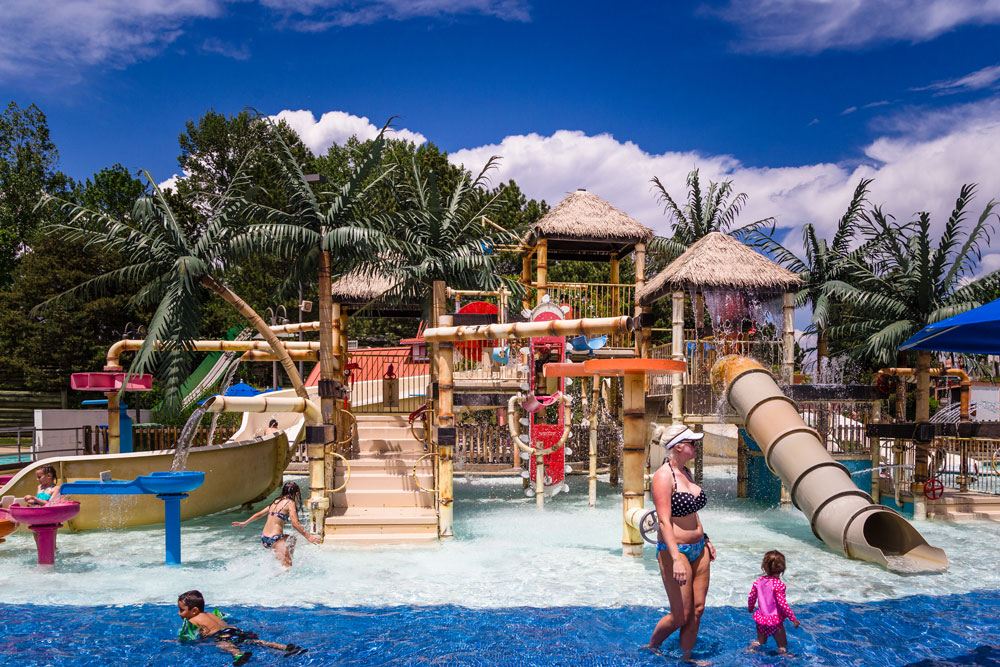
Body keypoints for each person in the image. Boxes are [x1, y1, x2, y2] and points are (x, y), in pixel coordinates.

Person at [645, 424, 716, 662]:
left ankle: (686, 659)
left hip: (699, 548)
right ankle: (652, 646)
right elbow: (664, 521)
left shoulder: (686, 472)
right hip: (675, 550)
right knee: (681, 615)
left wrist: (705, 539)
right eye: (692, 443)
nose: (696, 446)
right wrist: (676, 558)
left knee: (698, 609)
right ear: (678, 447)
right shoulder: (663, 476)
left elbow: (693, 513)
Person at [176, 589, 306, 664]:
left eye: (181, 610)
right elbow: (224, 617)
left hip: (221, 635)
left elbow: (186, 638)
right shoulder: (210, 614)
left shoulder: (192, 620)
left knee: (223, 645)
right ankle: (284, 647)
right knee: (256, 642)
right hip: (234, 629)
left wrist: (176, 641)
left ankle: (237, 654)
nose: (179, 613)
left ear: (194, 610)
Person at [232, 482, 321, 566]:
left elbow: (259, 514)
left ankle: (285, 557)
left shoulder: (276, 501)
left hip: (264, 537)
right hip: (275, 538)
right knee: (287, 567)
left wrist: (245, 522)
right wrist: (308, 537)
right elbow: (295, 523)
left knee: (292, 539)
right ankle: (285, 561)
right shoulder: (290, 502)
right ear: (296, 493)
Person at [748, 550, 800, 653]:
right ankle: (783, 656)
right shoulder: (778, 585)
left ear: (764, 567)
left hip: (761, 619)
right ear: (782, 569)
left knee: (760, 641)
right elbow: (782, 604)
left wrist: (750, 608)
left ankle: (751, 650)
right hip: (775, 621)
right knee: (782, 645)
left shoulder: (758, 582)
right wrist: (792, 618)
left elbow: (751, 597)